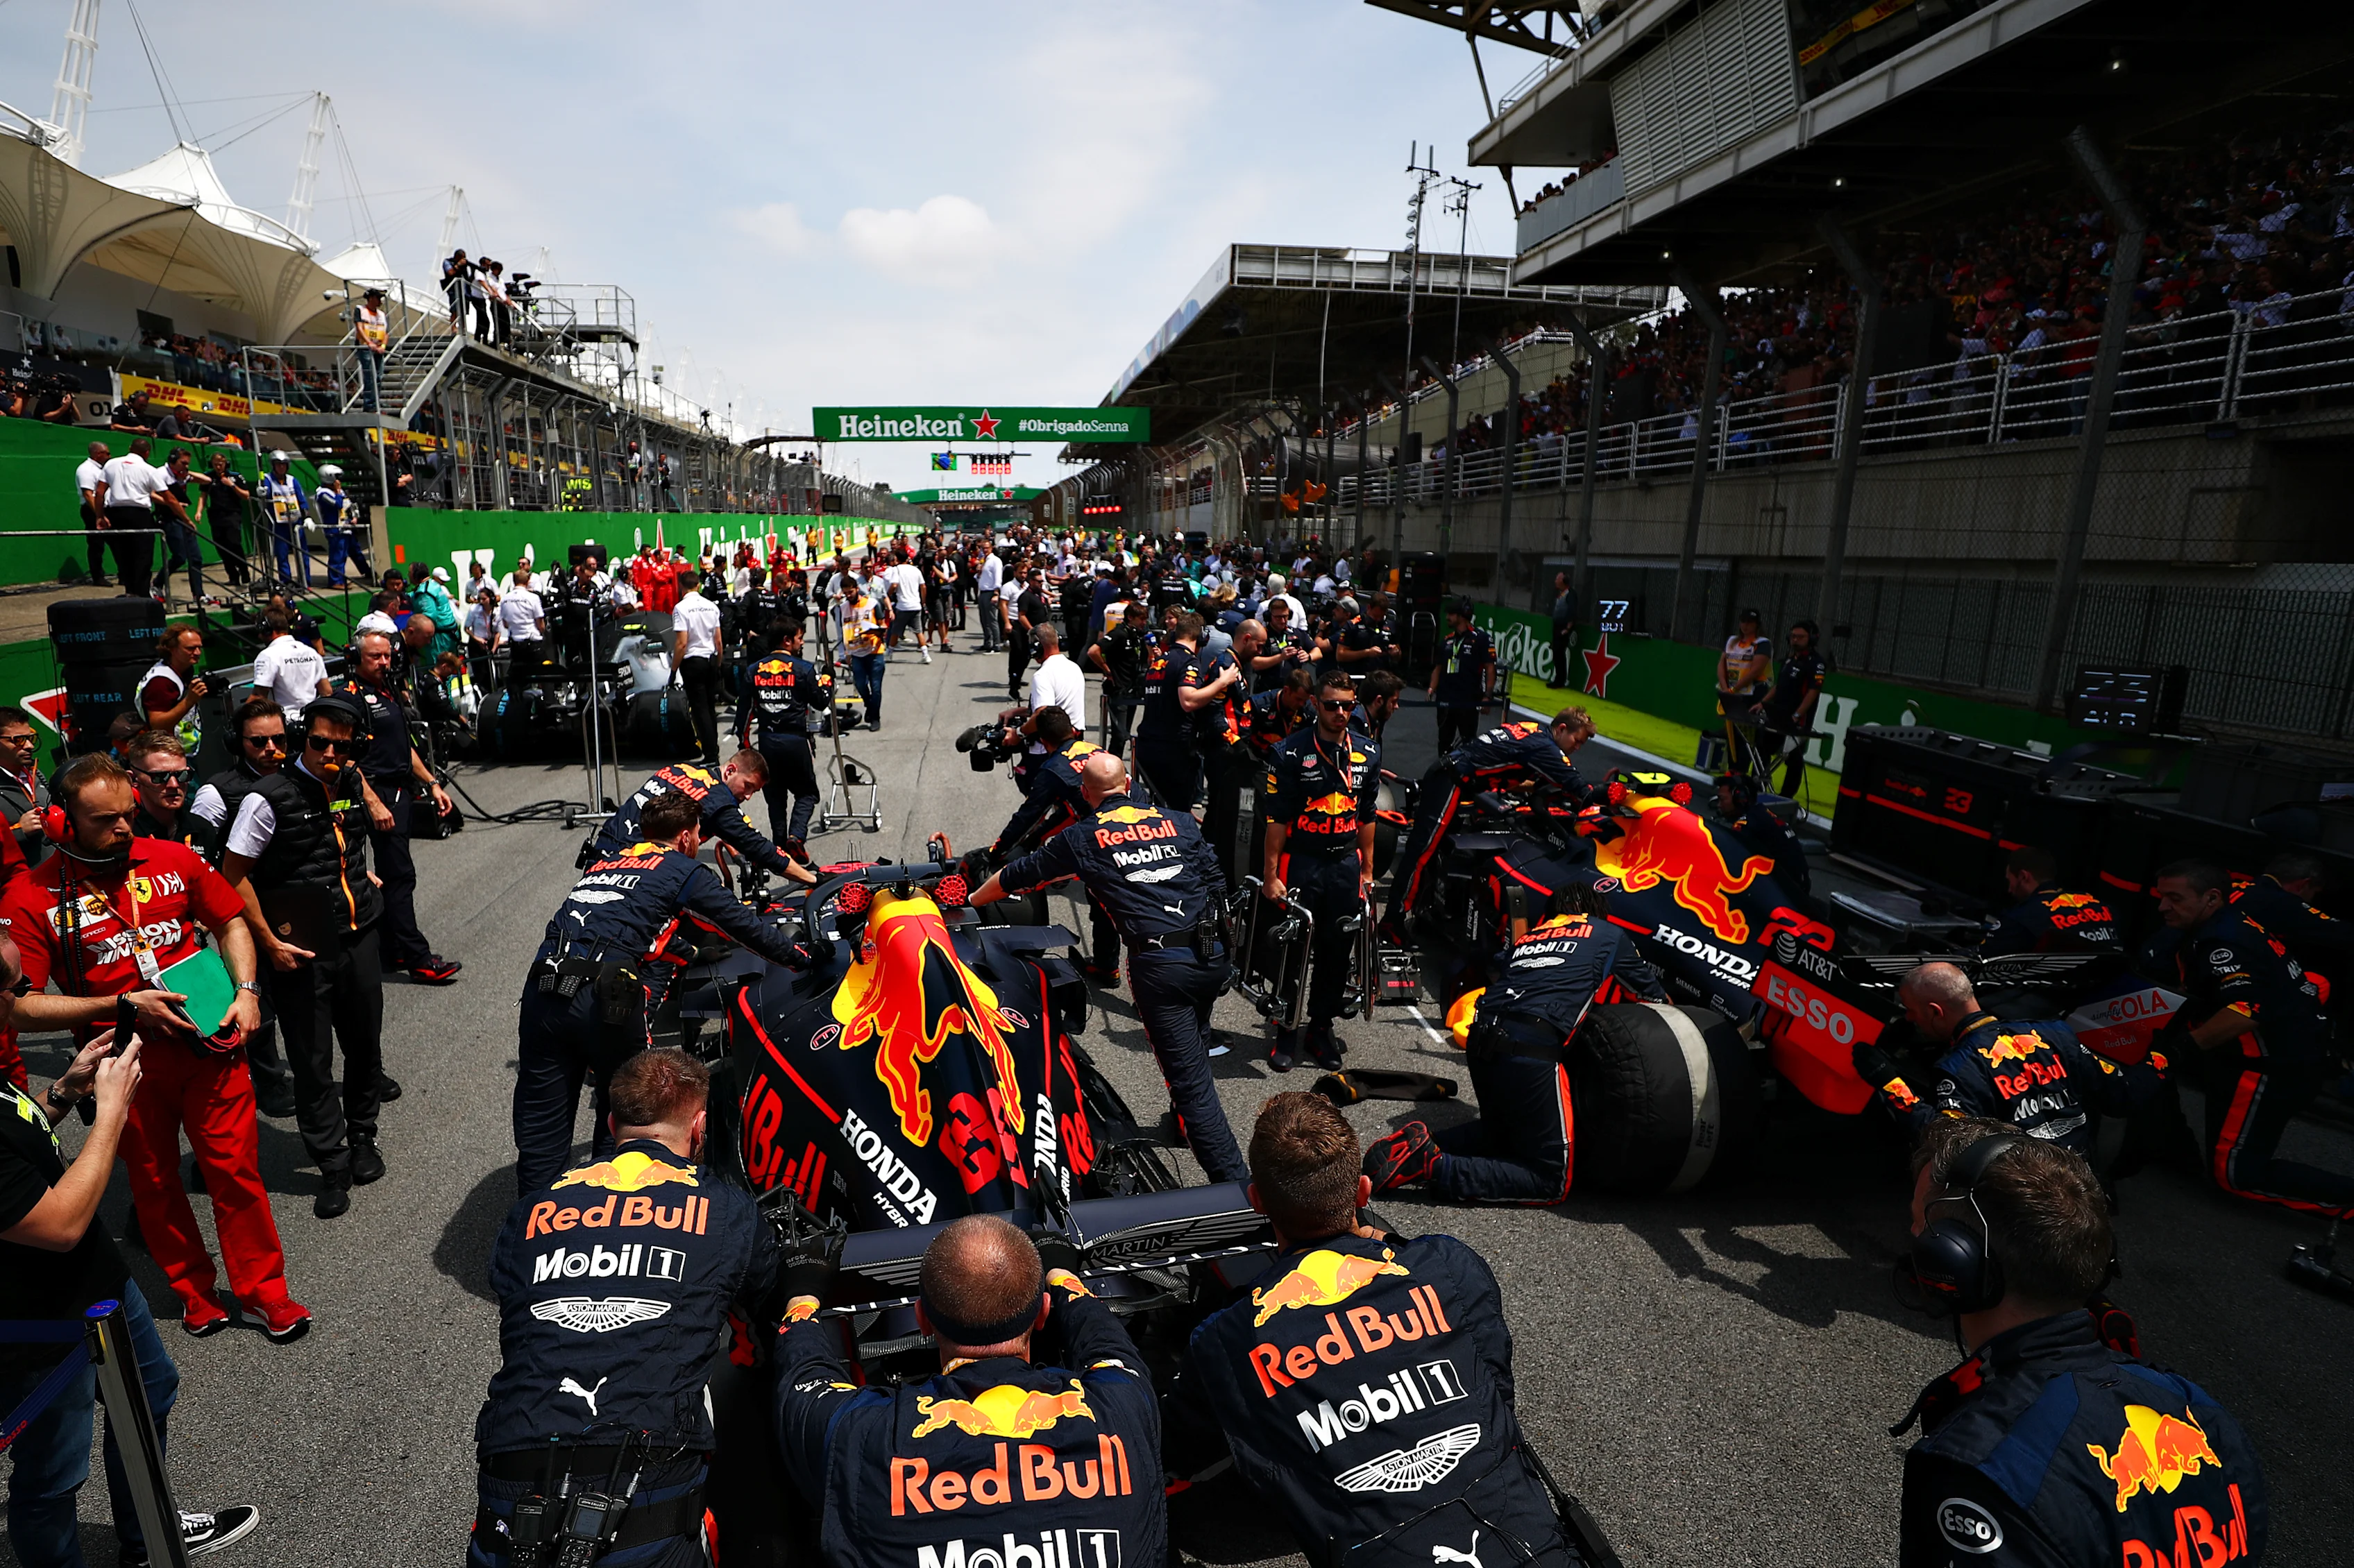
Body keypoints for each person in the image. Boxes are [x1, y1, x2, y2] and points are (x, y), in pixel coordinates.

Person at [1186, 1093, 1576, 1568]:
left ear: (1256, 1202)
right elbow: (1496, 1391)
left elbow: (1225, 1455)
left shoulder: (1227, 1339)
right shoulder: (1449, 1265)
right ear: (1364, 1192)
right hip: (1534, 1548)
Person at [0, 755, 307, 1341]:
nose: (123, 829)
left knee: (235, 1174)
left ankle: (265, 1294)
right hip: (124, 1065)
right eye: (103, 820)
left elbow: (232, 922)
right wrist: (119, 1005)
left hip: (210, 1049)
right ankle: (194, 1291)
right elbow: (19, 1005)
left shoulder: (172, 858)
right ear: (63, 820)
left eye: (127, 815)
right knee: (155, 1183)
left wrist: (246, 991)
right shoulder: (29, 897)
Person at [1891, 1118, 2267, 1567]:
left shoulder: (1983, 1470)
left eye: (1922, 1232)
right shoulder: (2204, 1416)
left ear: (1954, 1263)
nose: (1916, 1246)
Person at [473, 1050, 772, 1567]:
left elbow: (513, 1296)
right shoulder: (726, 1210)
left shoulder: (529, 1211)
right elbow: (766, 1305)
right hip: (649, 1500)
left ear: (612, 1125)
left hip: (512, 1491)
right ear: (699, 1127)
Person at [0, 1010, 263, 1568]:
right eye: (11, 989)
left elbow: (18, 1138)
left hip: (100, 1282)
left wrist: (66, 1090)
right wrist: (113, 1111)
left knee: (149, 1397)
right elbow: (61, 1225)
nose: (21, 1003)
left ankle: (148, 1536)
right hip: (33, 1322)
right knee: (53, 1474)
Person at [775, 1212, 1162, 1568]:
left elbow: (803, 1388)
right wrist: (1063, 1278)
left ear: (922, 1319)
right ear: (1044, 1313)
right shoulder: (1123, 1406)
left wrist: (803, 1296)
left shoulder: (865, 1434)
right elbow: (1111, 1350)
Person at [973, 752, 1245, 1182]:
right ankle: (1183, 1122)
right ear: (1130, 782)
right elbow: (1216, 883)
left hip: (1161, 968)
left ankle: (1240, 1190)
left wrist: (969, 901)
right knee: (1198, 1034)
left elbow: (1018, 877)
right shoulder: (1181, 820)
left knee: (1193, 1089)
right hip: (1211, 955)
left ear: (1085, 793)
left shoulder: (1082, 837)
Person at [516, 796, 804, 1191]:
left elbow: (624, 926)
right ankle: (609, 1217)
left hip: (543, 989)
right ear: (687, 837)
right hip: (605, 996)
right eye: (700, 834)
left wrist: (693, 953)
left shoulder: (608, 860)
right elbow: (743, 925)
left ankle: (533, 1231)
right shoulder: (681, 868)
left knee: (541, 1131)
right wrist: (801, 958)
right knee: (627, 1112)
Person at [1367, 891, 1666, 1203]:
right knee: (1549, 1181)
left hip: (1481, 1042)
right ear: (1597, 912)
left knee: (1503, 1137)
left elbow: (1503, 974)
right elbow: (1654, 998)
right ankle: (1434, 1166)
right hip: (1529, 1049)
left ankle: (1422, 1144)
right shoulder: (1608, 933)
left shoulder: (1530, 938)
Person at [217, 696, 387, 1218]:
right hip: (299, 948)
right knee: (312, 1061)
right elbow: (233, 875)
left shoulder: (351, 780)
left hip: (359, 935)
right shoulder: (266, 799)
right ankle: (331, 1163)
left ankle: (362, 1138)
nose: (328, 752)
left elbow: (351, 842)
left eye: (340, 744)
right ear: (302, 738)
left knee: (364, 1049)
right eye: (318, 742)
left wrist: (362, 876)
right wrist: (268, 942)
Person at [2146, 860, 2353, 1218]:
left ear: (2211, 898)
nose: (2163, 906)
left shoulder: (2223, 942)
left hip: (2275, 1067)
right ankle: (2172, 1149)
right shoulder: (2219, 924)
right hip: (2284, 1049)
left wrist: (2182, 1048)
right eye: (2162, 897)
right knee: (2152, 1060)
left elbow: (2246, 1010)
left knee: (2236, 1175)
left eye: (2174, 898)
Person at [1850, 963, 2155, 1160]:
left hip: (2025, 1196)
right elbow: (2122, 1094)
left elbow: (1945, 1140)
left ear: (1934, 1012)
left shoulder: (1959, 1069)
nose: (1908, 1018)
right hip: (2084, 1187)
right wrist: (2162, 1060)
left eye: (1911, 1011)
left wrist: (1890, 1083)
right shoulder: (2059, 1034)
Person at [1384, 709, 1598, 942]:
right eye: (1577, 741)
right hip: (1451, 780)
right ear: (1562, 729)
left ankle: (1428, 913)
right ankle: (1392, 921)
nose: (1577, 748)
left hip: (1454, 777)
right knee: (1421, 852)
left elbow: (1515, 771)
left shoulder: (1531, 729)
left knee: (1442, 850)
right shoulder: (1546, 748)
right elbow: (1579, 788)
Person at [187, 698, 300, 1118]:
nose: (271, 749)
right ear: (239, 743)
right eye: (259, 742)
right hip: (243, 913)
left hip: (297, 905)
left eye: (279, 740)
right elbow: (198, 859)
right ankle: (268, 1082)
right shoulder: (217, 793)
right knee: (259, 1001)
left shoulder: (296, 778)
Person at [1262, 672, 1381, 1072]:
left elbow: (1368, 815)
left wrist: (1367, 870)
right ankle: (1286, 1028)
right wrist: (1271, 875)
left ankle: (1320, 1027)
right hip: (1304, 863)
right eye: (1332, 705)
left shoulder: (1368, 752)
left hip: (1345, 865)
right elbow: (1276, 819)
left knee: (1336, 950)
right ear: (1315, 704)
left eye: (1348, 705)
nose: (1341, 713)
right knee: (1293, 949)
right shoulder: (1290, 753)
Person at [338, 630, 462, 986]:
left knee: (395, 877)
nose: (383, 662)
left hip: (399, 789)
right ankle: (418, 959)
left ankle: (391, 950)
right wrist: (373, 802)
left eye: (387, 656)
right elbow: (345, 760)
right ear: (357, 658)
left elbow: (403, 745)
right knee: (399, 878)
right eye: (375, 657)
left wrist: (433, 784)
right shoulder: (351, 699)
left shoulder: (387, 688)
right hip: (374, 795)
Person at [592, 753, 812, 888]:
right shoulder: (718, 800)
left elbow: (730, 831)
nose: (748, 797)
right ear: (731, 771)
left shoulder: (681, 769)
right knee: (707, 886)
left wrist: (738, 853)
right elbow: (761, 849)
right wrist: (812, 879)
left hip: (601, 853)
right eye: (748, 786)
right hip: (632, 870)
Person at [736, 618, 829, 849]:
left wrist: (745, 746)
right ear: (787, 641)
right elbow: (820, 702)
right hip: (796, 741)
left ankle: (779, 847)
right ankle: (796, 837)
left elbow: (744, 714)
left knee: (775, 799)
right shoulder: (804, 668)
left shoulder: (753, 670)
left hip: (767, 742)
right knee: (807, 794)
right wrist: (827, 681)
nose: (801, 643)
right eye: (799, 638)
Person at [1982, 846, 2122, 958]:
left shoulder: (2023, 916)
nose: (2009, 890)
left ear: (2024, 877)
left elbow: (1983, 956)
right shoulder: (2102, 906)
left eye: (2010, 881)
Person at [1135, 609, 1210, 811]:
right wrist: (1222, 683)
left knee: (1157, 809)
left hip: (1147, 746)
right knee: (1177, 813)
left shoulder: (1159, 661)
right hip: (1175, 749)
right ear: (1200, 636)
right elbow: (1188, 701)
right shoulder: (1189, 662)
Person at [99, 434, 178, 598]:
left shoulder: (110, 464)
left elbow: (100, 492)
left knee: (123, 554)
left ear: (130, 449)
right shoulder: (149, 470)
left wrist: (100, 516)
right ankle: (141, 595)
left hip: (115, 513)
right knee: (143, 555)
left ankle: (129, 591)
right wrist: (186, 519)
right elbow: (169, 498)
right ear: (147, 453)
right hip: (139, 514)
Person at [1755, 619, 1826, 799]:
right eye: (1793, 636)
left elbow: (1813, 692)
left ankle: (1785, 798)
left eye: (1800, 637)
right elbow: (1779, 686)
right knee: (1762, 747)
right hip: (1778, 715)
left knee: (1793, 760)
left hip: (1797, 720)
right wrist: (1763, 703)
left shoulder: (1816, 664)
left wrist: (1797, 715)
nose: (1795, 640)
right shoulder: (1788, 660)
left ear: (1812, 638)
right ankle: (1760, 786)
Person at [1715, 772, 1809, 904]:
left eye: (1722, 799)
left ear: (1740, 797)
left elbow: (1726, 858)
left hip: (1786, 898)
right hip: (1797, 888)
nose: (1719, 805)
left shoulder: (1747, 825)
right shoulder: (1761, 813)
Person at [670, 574, 724, 767]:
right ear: (699, 585)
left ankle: (710, 755)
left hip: (693, 662)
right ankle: (714, 749)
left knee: (699, 710)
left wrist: (673, 670)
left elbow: (682, 643)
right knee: (710, 708)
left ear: (681, 587)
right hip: (710, 660)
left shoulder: (680, 608)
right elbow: (718, 641)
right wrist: (718, 663)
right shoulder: (712, 606)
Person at [1090, 598, 1155, 755]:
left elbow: (1147, 659)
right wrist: (1107, 670)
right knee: (1119, 736)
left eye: (1146, 619)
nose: (1144, 623)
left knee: (1125, 734)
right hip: (1119, 689)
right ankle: (1111, 767)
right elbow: (1093, 651)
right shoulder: (1119, 633)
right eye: (1141, 619)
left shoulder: (1140, 636)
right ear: (1130, 617)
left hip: (1133, 689)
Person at [137, 624, 212, 760]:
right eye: (190, 649)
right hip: (168, 755)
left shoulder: (185, 669)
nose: (198, 653)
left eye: (199, 647)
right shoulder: (161, 681)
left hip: (186, 751)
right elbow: (158, 726)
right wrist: (190, 700)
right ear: (172, 649)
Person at [1429, 599, 1496, 751]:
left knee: (1468, 741)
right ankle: (1444, 771)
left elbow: (1490, 668)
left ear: (1462, 616)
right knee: (1444, 740)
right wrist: (1431, 689)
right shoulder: (1447, 640)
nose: (1448, 617)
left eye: (1451, 614)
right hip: (1445, 698)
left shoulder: (1482, 639)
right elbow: (1438, 667)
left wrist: (1488, 696)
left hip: (1469, 699)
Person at [248, 608, 332, 722]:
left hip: (284, 725)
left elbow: (259, 696)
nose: (259, 636)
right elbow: (327, 692)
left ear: (267, 630)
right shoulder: (311, 653)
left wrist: (237, 718)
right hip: (312, 722)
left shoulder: (268, 655)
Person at [124, 730, 196, 844]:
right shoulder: (124, 834)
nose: (174, 785)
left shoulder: (202, 830)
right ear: (133, 780)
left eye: (182, 775)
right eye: (160, 777)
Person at [839, 579, 890, 731]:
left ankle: (875, 718)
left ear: (857, 589)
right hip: (855, 653)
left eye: (851, 592)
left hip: (874, 651)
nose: (848, 595)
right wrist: (846, 652)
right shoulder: (842, 608)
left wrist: (879, 632)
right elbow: (842, 631)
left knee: (876, 687)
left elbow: (883, 625)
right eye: (846, 593)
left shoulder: (872, 604)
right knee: (861, 685)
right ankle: (870, 705)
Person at [196, 452, 253, 588]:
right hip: (216, 515)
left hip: (232, 514)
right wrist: (199, 511)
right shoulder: (209, 477)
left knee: (234, 543)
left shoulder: (235, 476)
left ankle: (244, 570)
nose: (218, 467)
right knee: (221, 547)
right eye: (215, 464)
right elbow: (203, 496)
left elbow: (246, 495)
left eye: (220, 464)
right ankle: (233, 576)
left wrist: (231, 485)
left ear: (225, 464)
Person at [256, 453, 308, 588]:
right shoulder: (267, 479)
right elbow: (265, 496)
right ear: (273, 465)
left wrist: (307, 517)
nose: (281, 467)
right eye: (278, 464)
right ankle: (286, 582)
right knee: (282, 555)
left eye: (284, 464)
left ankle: (305, 582)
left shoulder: (292, 480)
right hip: (279, 524)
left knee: (302, 554)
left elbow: (302, 500)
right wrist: (261, 492)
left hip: (295, 522)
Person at [1026, 624, 1086, 732]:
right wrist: (1021, 711)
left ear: (1038, 647)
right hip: (1075, 738)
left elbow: (1043, 715)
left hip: (1052, 743)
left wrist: (1018, 733)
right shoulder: (1075, 667)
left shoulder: (1042, 675)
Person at [498, 566, 549, 683]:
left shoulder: (505, 599)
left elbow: (505, 624)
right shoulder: (533, 598)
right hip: (533, 642)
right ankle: (544, 697)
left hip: (516, 643)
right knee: (543, 673)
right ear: (527, 582)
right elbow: (540, 624)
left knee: (519, 676)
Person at [74, 438, 113, 586]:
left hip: (105, 508)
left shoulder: (102, 469)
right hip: (93, 510)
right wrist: (99, 515)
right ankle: (98, 577)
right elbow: (88, 494)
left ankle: (125, 575)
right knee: (97, 544)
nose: (109, 456)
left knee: (117, 542)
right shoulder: (86, 469)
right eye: (107, 453)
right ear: (98, 454)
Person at [1716, 608, 1769, 715]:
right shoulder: (1732, 641)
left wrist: (1734, 690)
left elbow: (1755, 672)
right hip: (1730, 690)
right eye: (1743, 621)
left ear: (1757, 624)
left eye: (1750, 622)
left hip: (1752, 692)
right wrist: (1726, 689)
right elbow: (1722, 665)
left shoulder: (1763, 643)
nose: (1745, 625)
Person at [353, 286, 389, 413]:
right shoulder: (360, 310)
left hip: (378, 348)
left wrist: (383, 346)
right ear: (372, 298)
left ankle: (376, 402)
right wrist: (369, 343)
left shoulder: (382, 315)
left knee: (379, 376)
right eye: (378, 298)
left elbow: (386, 333)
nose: (380, 301)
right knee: (369, 376)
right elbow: (360, 328)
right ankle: (369, 404)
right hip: (365, 347)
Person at [1548, 570, 1575, 687]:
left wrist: (1568, 628)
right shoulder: (1561, 593)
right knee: (1556, 653)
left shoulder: (1571, 594)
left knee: (1560, 654)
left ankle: (1560, 681)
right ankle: (1558, 679)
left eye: (1557, 579)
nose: (1555, 581)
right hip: (1557, 626)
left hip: (1563, 628)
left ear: (1563, 581)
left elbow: (1572, 612)